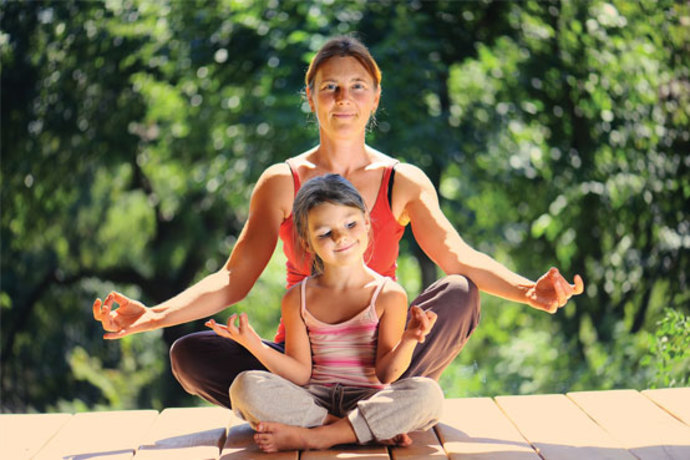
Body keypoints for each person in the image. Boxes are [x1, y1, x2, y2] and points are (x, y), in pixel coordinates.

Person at [92, 35, 584, 409]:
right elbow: (232, 279)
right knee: (190, 354)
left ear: (374, 97)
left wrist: (527, 290)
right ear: (311, 97)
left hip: (385, 356)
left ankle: (378, 401)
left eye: (356, 87)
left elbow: (457, 255)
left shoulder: (403, 180)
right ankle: (330, 410)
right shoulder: (281, 181)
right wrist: (153, 316)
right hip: (302, 366)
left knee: (458, 292)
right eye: (329, 88)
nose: (342, 98)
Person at [205, 174, 443, 452]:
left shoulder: (389, 294)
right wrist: (253, 344)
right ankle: (349, 428)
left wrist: (410, 338)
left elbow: (386, 374)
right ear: (307, 242)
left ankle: (318, 436)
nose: (341, 237)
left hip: (368, 398)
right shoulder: (297, 298)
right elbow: (301, 374)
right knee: (244, 387)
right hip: (315, 401)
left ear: (367, 222)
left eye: (350, 224)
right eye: (325, 233)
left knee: (428, 395)